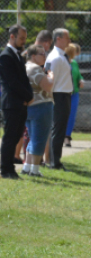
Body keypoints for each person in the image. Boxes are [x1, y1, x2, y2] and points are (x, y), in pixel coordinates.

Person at [0, 24, 33, 179]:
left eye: (25, 38)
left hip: (20, 102)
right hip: (12, 103)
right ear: (12, 36)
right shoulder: (6, 56)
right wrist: (27, 97)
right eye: (21, 38)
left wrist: (29, 96)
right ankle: (6, 169)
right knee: (10, 137)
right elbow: (12, 82)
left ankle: (9, 166)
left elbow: (24, 80)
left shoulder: (18, 55)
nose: (23, 41)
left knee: (16, 136)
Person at [21, 45, 54, 177]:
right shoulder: (35, 68)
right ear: (33, 56)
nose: (45, 57)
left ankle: (27, 167)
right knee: (40, 139)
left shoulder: (24, 67)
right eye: (42, 54)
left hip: (29, 107)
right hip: (41, 106)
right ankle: (35, 170)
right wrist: (51, 75)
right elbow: (47, 86)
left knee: (32, 138)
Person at [45, 28, 73, 171]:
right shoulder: (55, 57)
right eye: (66, 38)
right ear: (58, 39)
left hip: (65, 95)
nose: (69, 40)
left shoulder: (62, 56)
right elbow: (50, 78)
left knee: (60, 129)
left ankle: (55, 159)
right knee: (58, 129)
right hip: (58, 95)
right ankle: (54, 161)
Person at [64, 43, 84, 147]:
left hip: (74, 93)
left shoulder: (74, 63)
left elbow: (79, 75)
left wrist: (81, 80)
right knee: (62, 116)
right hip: (63, 94)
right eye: (76, 51)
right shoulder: (62, 62)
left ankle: (67, 137)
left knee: (71, 116)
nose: (77, 53)